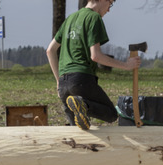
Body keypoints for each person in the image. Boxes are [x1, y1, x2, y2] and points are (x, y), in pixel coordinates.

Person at [46, 0, 141, 130]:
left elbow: (50, 50)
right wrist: (126, 65)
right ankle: (83, 105)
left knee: (78, 133)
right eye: (110, 3)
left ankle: (81, 106)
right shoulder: (94, 17)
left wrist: (58, 81)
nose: (109, 9)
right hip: (81, 79)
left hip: (63, 85)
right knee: (111, 113)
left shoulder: (70, 19)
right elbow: (96, 56)